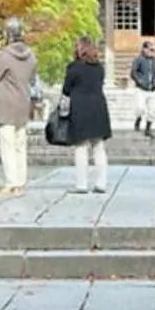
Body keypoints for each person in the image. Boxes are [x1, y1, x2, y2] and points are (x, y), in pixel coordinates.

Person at [0, 17, 38, 196]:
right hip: (23, 102)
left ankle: (11, 183)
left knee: (7, 144)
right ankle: (20, 182)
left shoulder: (4, 55)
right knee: (20, 144)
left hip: (6, 103)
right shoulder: (31, 55)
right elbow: (32, 79)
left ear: (8, 35)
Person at [63, 36, 113, 194]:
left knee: (81, 146)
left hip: (80, 108)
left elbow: (66, 89)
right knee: (98, 146)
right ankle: (102, 182)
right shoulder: (100, 68)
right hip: (98, 107)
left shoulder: (73, 68)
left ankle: (82, 184)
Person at [128, 37, 155, 136]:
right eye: (150, 49)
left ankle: (148, 128)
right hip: (141, 89)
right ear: (144, 49)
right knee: (140, 108)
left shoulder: (154, 60)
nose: (152, 52)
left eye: (153, 50)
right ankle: (138, 119)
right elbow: (133, 72)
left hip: (152, 89)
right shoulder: (138, 59)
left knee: (154, 109)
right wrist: (140, 81)